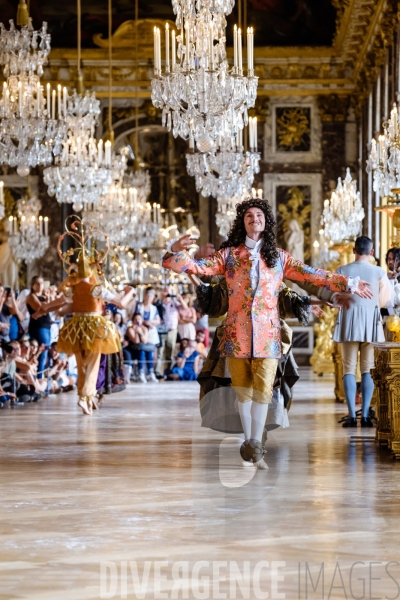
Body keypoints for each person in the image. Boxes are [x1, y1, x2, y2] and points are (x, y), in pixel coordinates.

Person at [162, 198, 373, 468]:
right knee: (242, 392)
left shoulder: (279, 257)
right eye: (249, 215)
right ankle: (250, 441)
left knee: (263, 391)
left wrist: (348, 283)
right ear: (243, 222)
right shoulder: (228, 256)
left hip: (268, 337)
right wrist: (174, 250)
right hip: (236, 336)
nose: (254, 219)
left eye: (259, 215)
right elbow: (197, 267)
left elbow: (312, 274)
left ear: (266, 221)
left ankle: (255, 447)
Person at [50, 217, 135, 415]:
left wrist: (56, 311)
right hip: (95, 327)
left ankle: (85, 398)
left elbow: (66, 305)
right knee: (93, 364)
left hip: (76, 326)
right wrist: (131, 292)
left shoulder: (73, 289)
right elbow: (121, 303)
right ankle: (85, 396)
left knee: (82, 365)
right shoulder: (96, 289)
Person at [324, 236, 392, 428]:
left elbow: (331, 295)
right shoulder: (379, 272)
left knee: (348, 368)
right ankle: (365, 415)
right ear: (371, 252)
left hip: (348, 322)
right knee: (367, 368)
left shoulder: (342, 271)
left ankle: (352, 415)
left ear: (354, 250)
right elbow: (385, 300)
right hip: (371, 322)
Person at [26, 277, 65, 380]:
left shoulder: (44, 297)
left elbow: (52, 309)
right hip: (38, 327)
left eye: (41, 283)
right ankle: (38, 378)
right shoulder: (31, 296)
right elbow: (41, 308)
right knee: (41, 352)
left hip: (47, 326)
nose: (40, 286)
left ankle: (42, 379)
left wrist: (49, 299)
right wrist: (49, 302)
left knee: (45, 353)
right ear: (32, 285)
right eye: (37, 284)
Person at [125, 313, 157, 383]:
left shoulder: (144, 328)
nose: (137, 320)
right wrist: (136, 332)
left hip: (141, 349)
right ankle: (140, 373)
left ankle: (150, 372)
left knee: (148, 351)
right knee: (142, 351)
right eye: (135, 319)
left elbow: (144, 341)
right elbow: (136, 341)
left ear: (142, 320)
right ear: (133, 321)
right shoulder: (129, 329)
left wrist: (140, 332)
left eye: (139, 319)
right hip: (132, 350)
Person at [136, 287, 160, 381]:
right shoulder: (139, 306)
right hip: (141, 331)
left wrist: (151, 322)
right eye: (147, 295)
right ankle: (141, 372)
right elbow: (135, 318)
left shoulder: (154, 308)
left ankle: (150, 372)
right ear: (145, 296)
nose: (149, 297)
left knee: (150, 352)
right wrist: (144, 322)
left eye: (151, 296)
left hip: (151, 332)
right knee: (142, 350)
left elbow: (158, 321)